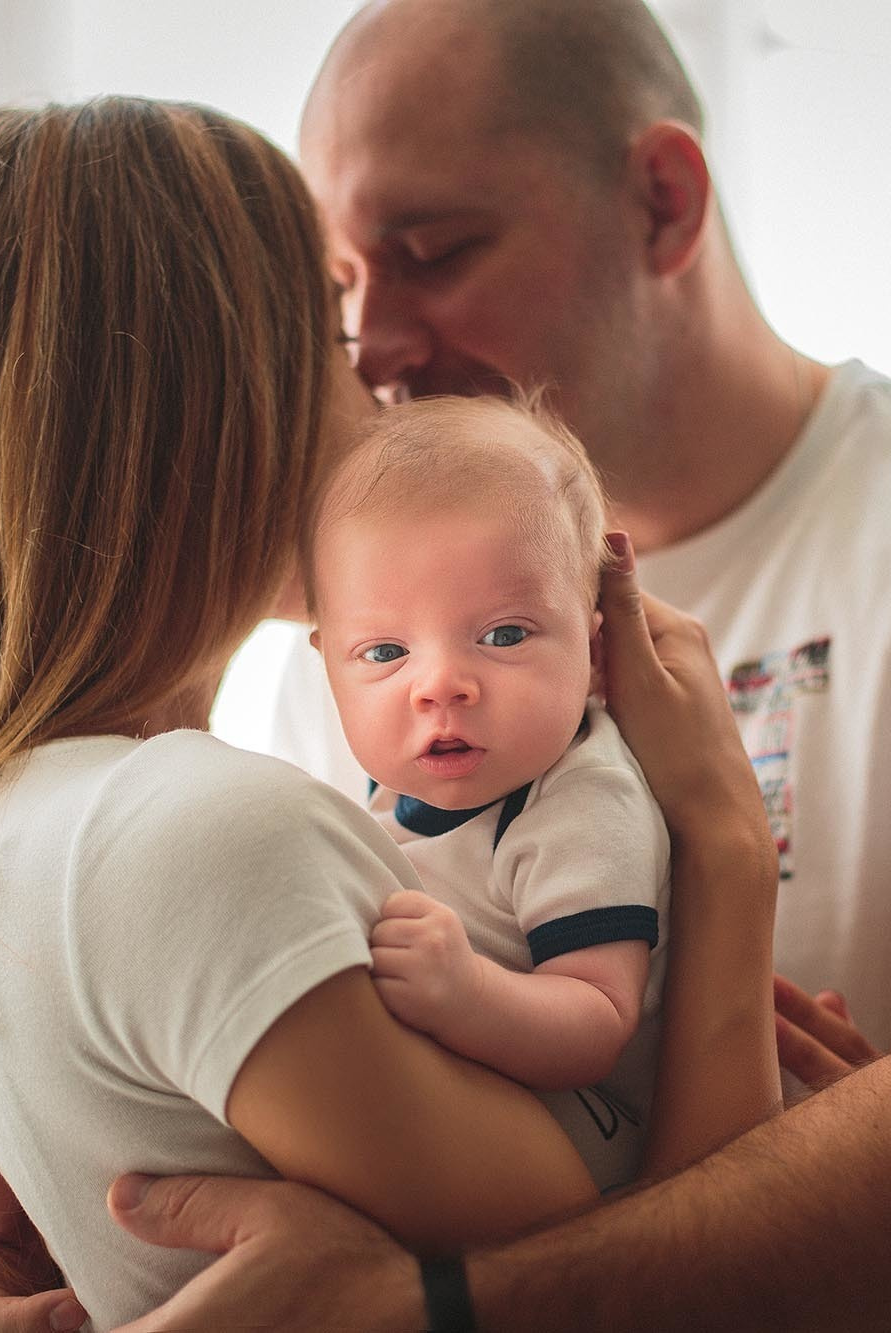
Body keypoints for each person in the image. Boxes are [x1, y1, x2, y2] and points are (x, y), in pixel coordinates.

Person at [0, 0, 891, 1330]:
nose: (376, 343)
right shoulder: (353, 663)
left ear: (664, 203)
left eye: (436, 250)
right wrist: (5, 1276)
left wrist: (438, 1310)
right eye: (341, 292)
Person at [0, 95, 781, 1332]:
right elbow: (683, 1291)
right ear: (204, 411)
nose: (391, 396)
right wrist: (725, 843)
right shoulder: (195, 831)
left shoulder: (9, 832)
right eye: (343, 344)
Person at [312, 394, 672, 1190]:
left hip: (594, 1129)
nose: (440, 684)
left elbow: (597, 1019)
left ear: (594, 647)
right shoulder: (384, 792)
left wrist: (466, 993)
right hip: (480, 1092)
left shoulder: (577, 797)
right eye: (383, 651)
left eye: (503, 635)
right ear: (327, 665)